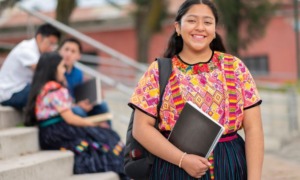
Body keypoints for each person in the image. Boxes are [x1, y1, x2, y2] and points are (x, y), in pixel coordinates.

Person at [129, 0, 264, 179]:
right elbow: (141, 129)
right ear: (178, 27)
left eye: (207, 22)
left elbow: (254, 128)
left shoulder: (235, 67)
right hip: (174, 167)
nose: (200, 27)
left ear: (215, 30)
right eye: (192, 21)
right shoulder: (158, 71)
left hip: (231, 165)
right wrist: (183, 160)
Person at [24, 52, 128, 179]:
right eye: (62, 67)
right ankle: (122, 167)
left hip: (48, 133)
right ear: (53, 68)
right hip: (60, 131)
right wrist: (93, 124)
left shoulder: (43, 88)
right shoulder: (56, 89)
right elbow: (70, 118)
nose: (64, 71)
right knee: (107, 135)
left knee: (103, 136)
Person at [0, 23, 61, 110]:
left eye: (54, 45)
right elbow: (46, 72)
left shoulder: (38, 52)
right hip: (9, 93)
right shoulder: (26, 49)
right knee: (46, 93)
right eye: (50, 43)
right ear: (40, 37)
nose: (51, 48)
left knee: (49, 92)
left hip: (22, 89)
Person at [58, 38, 111, 128]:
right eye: (66, 49)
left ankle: (110, 135)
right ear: (59, 51)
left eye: (73, 51)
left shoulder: (78, 73)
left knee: (102, 105)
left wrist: (94, 97)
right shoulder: (56, 71)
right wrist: (77, 105)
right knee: (79, 111)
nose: (68, 54)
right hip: (65, 108)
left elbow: (80, 94)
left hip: (78, 104)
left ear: (78, 56)